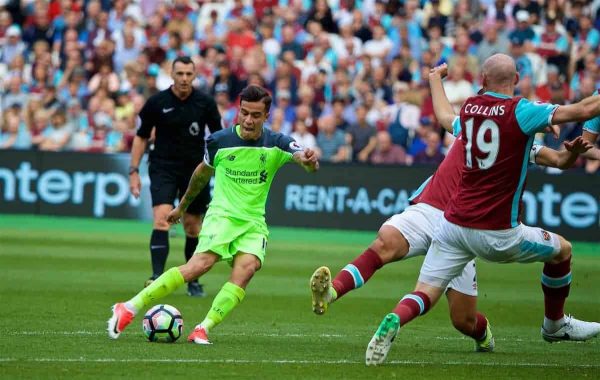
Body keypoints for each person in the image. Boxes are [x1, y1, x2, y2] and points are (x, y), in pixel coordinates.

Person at [310, 63, 592, 355]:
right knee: (385, 242)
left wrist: (435, 80)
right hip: (442, 213)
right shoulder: (472, 121)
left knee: (463, 319)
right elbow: (448, 118)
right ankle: (332, 292)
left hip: (458, 221)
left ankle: (483, 335)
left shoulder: (493, 125)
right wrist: (434, 80)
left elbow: (557, 158)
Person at [108, 85, 319, 344]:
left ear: (266, 116)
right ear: (238, 112)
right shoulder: (220, 141)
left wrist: (308, 161)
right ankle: (128, 307)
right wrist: (181, 208)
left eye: (255, 115)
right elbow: (200, 175)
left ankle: (203, 328)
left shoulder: (277, 143)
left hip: (253, 222)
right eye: (244, 113)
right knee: (200, 266)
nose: (248, 120)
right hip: (222, 216)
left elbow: (304, 160)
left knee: (248, 268)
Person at [129, 56, 222, 297]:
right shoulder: (156, 102)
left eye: (188, 74)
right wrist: (133, 170)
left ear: (194, 76)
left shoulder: (205, 103)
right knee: (162, 218)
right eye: (179, 74)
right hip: (163, 167)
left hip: (195, 171)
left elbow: (218, 139)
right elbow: (141, 136)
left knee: (193, 226)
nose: (184, 79)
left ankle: (193, 281)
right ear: (172, 75)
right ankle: (157, 276)